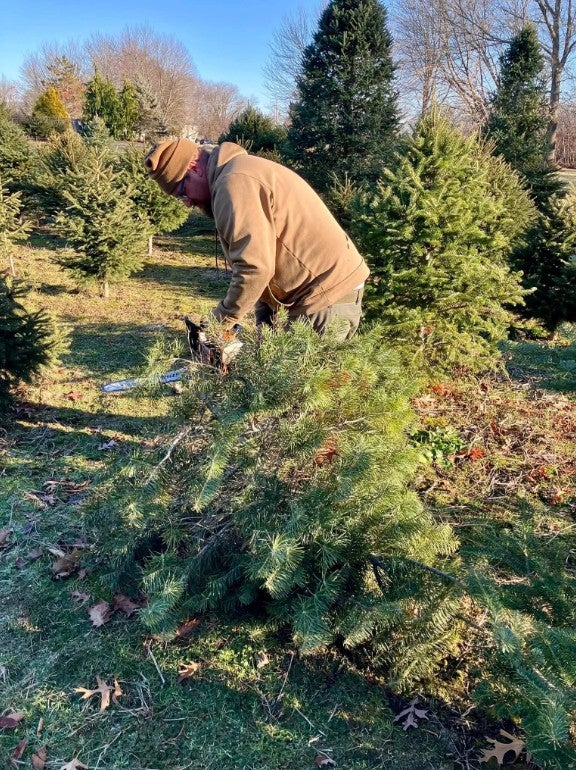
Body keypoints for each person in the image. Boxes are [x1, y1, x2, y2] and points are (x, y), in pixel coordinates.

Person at [144, 139, 369, 340]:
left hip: (325, 298)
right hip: (317, 294)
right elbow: (265, 262)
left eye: (182, 193)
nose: (187, 203)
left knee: (303, 376)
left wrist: (220, 321)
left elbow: (254, 268)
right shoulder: (237, 173)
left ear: (194, 168)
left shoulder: (234, 183)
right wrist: (265, 325)